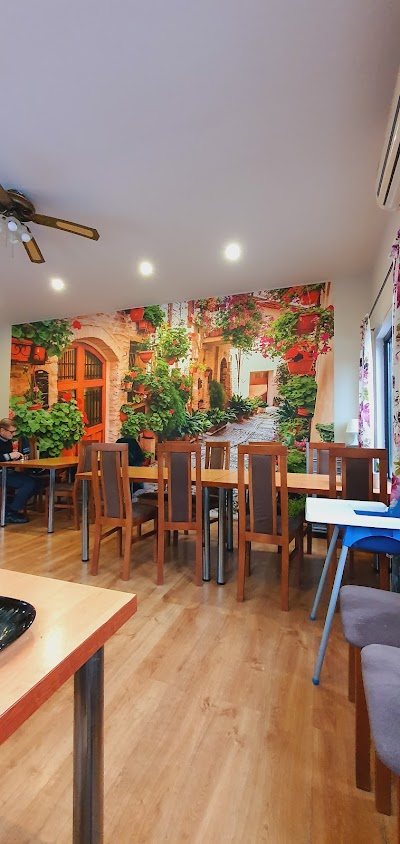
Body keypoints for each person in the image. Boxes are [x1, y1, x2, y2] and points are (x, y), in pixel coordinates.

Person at [0, 418, 39, 524]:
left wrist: (15, 458)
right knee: (29, 483)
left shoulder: (7, 441)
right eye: (11, 432)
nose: (14, 434)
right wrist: (9, 456)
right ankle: (11, 512)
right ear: (2, 430)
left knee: (37, 482)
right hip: (2, 473)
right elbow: (5, 456)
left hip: (7, 471)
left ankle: (10, 507)